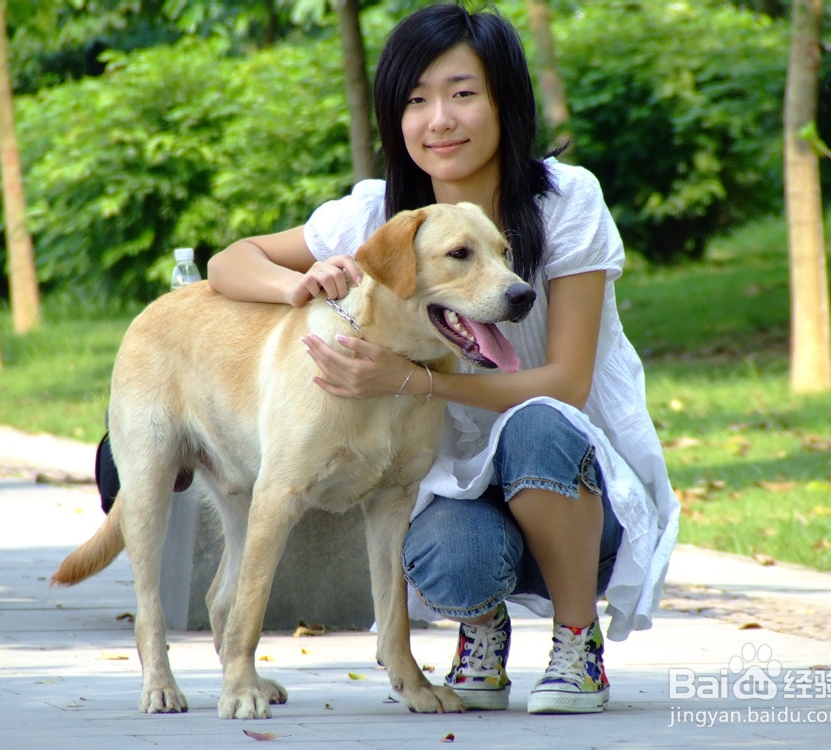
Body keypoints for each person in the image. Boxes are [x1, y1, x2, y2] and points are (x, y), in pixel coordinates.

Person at [207, 3, 679, 715]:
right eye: (416, 100)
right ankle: (479, 632)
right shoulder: (379, 218)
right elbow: (229, 260)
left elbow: (567, 384)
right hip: (454, 488)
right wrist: (295, 284)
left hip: (572, 491)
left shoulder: (567, 202)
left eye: (462, 94)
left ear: (504, 102)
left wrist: (412, 380)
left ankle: (577, 643)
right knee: (453, 553)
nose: (439, 120)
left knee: (537, 422)